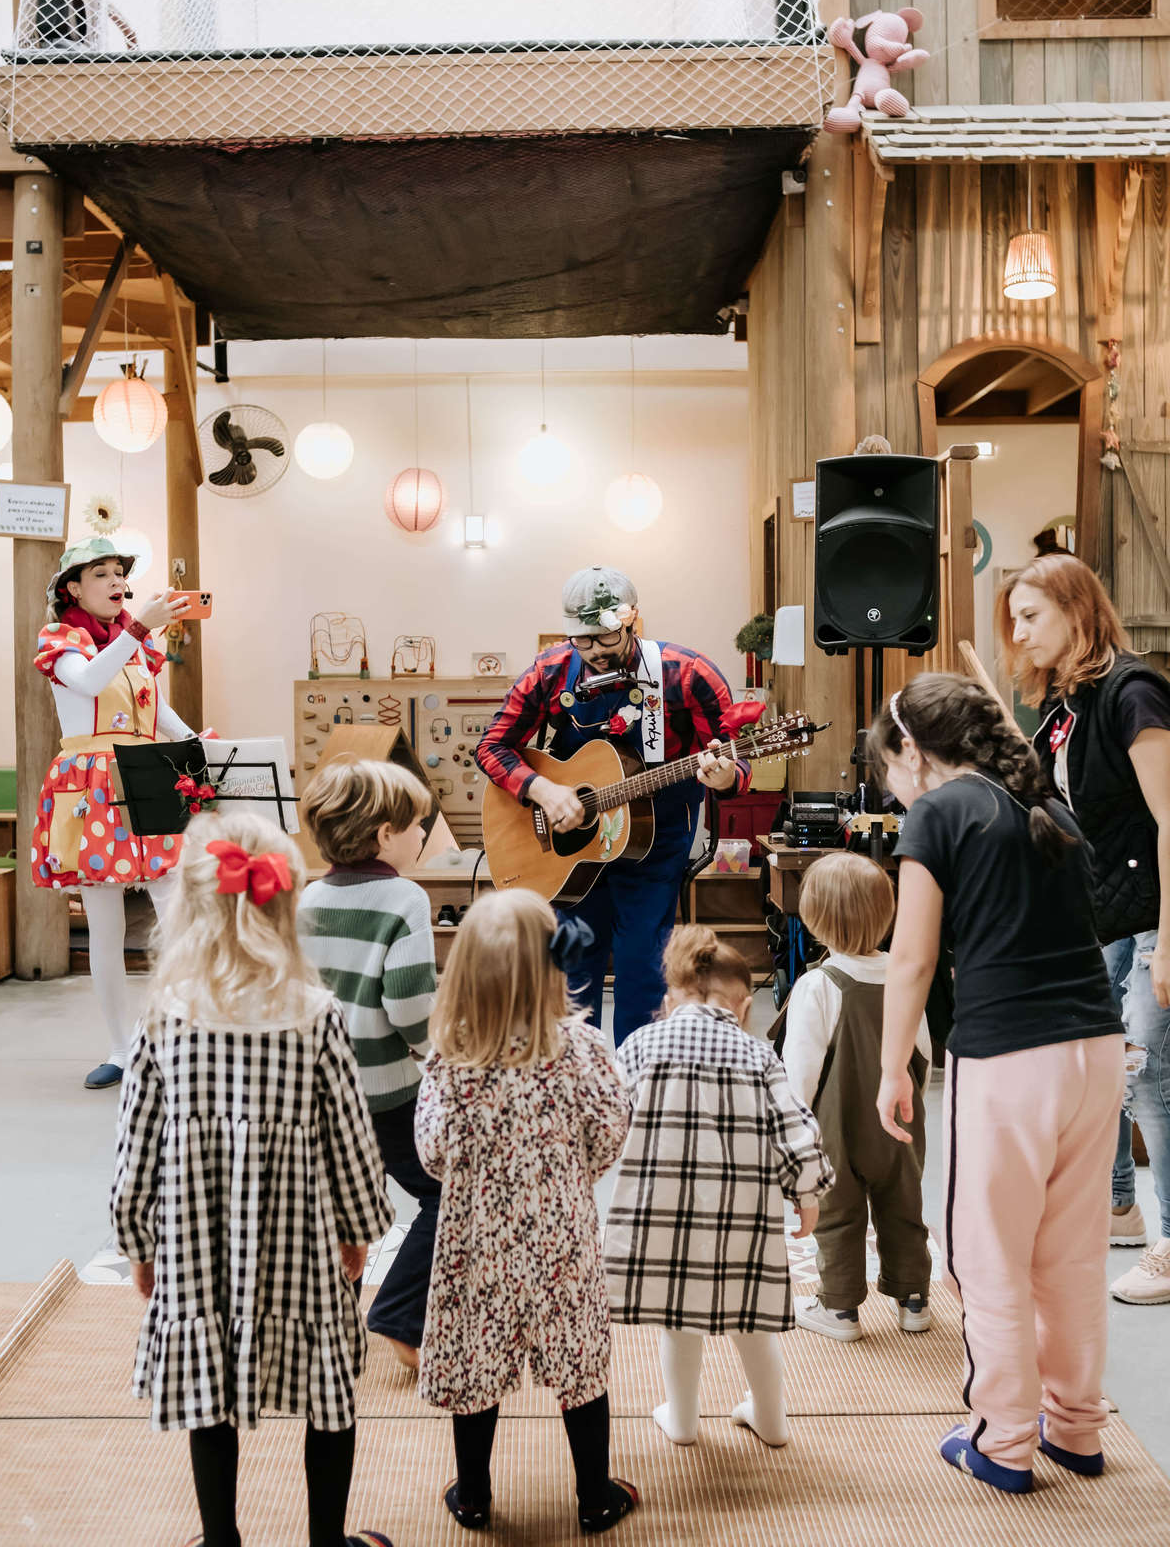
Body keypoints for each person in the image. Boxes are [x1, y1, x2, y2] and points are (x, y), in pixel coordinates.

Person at [110, 811, 397, 1547]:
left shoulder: (166, 1017)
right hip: (300, 1241)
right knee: (327, 1387)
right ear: (285, 905)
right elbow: (349, 1133)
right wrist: (357, 1227)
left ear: (190, 910)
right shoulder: (313, 1015)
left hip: (199, 1245)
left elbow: (135, 1145)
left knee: (210, 1385)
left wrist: (138, 1239)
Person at [872, 674, 1124, 1494]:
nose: (892, 785)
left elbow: (910, 958)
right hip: (1096, 1050)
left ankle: (1002, 1439)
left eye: (889, 765)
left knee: (987, 1257)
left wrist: (891, 1069)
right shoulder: (1045, 806)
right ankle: (1075, 1429)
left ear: (912, 747)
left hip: (1011, 1061)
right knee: (1072, 1254)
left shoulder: (939, 813)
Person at [414, 888, 637, 1533]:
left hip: (475, 1241)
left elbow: (432, 1153)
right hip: (561, 1235)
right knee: (578, 1361)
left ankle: (474, 1492)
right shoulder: (582, 1049)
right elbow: (609, 1129)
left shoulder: (451, 1060)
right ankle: (595, 1492)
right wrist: (572, 1174)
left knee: (476, 1362)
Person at [476, 566, 751, 1045]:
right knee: (573, 962)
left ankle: (635, 1080)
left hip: (656, 836)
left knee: (644, 963)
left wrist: (727, 775)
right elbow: (492, 746)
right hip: (571, 839)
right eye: (582, 642)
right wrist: (543, 790)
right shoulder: (550, 669)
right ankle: (573, 1076)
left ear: (633, 621)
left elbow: (735, 757)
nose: (596, 653)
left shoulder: (689, 674)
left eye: (606, 638)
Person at [1000, 554, 1170, 1303]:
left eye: (1032, 616)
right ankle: (1118, 1208)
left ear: (1077, 610)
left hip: (1155, 915)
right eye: (1015, 618)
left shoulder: (1135, 694)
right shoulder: (1066, 707)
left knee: (1152, 1079)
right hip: (1103, 916)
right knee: (1094, 1072)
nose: (1019, 632)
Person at [604, 926, 832, 1448]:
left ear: (670, 997)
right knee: (751, 1317)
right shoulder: (757, 1057)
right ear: (743, 1005)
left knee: (677, 1318)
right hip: (741, 1217)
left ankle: (682, 1420)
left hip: (661, 1216)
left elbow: (607, 1120)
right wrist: (807, 1193)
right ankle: (771, 1419)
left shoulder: (640, 1045)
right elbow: (794, 1126)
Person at [32, 530, 194, 1089]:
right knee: (105, 925)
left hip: (148, 777)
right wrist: (142, 627)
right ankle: (121, 1048)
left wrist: (206, 750)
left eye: (120, 572)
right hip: (92, 785)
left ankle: (182, 1038)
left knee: (177, 916)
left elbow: (158, 709)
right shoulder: (61, 640)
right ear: (72, 588)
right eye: (100, 574)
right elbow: (90, 680)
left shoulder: (134, 643)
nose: (117, 582)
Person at [298, 758, 439, 1372]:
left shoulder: (306, 899)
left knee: (338, 1211)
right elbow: (409, 1001)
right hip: (388, 1092)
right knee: (447, 1194)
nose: (424, 836)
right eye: (419, 826)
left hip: (319, 1092)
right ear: (385, 834)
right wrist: (434, 1056)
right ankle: (400, 1316)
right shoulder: (405, 898)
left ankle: (329, 1342)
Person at [783, 852, 932, 1342]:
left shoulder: (817, 985)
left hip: (837, 1129)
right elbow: (924, 1053)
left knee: (839, 1214)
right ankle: (914, 1301)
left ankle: (840, 1309)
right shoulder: (903, 974)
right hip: (900, 1122)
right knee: (903, 1207)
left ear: (815, 921)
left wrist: (791, 1134)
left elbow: (799, 1072)